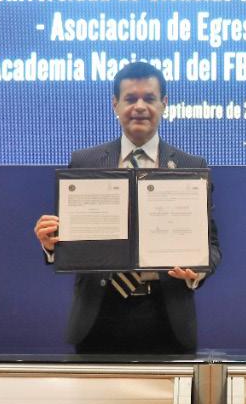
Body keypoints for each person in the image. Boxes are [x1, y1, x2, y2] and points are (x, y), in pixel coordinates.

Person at [33, 61, 221, 354]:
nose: (140, 107)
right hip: (97, 317)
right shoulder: (84, 163)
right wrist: (51, 244)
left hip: (167, 319)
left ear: (164, 104)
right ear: (115, 105)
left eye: (149, 98)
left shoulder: (190, 166)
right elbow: (70, 237)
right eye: (131, 98)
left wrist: (196, 271)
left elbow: (212, 246)